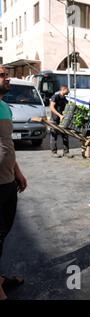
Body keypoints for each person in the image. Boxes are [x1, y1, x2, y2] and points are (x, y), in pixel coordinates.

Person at [0, 66, 27, 300]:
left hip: (8, 181)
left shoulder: (4, 107)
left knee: (3, 232)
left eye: (6, 74)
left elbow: (8, 144)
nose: (6, 78)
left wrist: (18, 171)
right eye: (1, 74)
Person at [49, 85, 73, 158]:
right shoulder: (55, 97)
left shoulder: (64, 99)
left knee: (65, 135)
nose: (68, 92)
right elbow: (51, 108)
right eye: (67, 90)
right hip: (54, 119)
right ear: (64, 89)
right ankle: (54, 152)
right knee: (54, 135)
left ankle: (66, 152)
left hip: (62, 120)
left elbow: (67, 108)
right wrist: (60, 115)